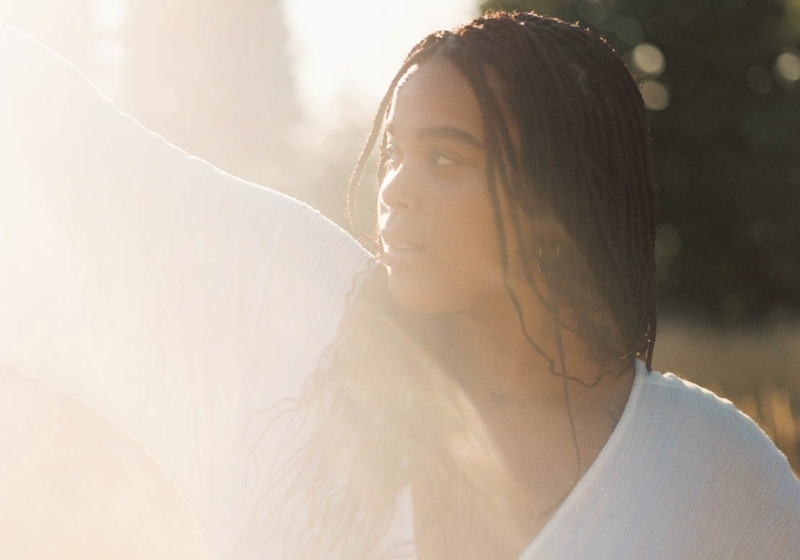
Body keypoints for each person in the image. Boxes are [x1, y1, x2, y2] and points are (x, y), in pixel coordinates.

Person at [0, 10, 798, 560]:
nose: (397, 190)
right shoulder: (307, 350)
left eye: (445, 159)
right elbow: (85, 165)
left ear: (560, 189)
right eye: (393, 156)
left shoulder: (710, 473)